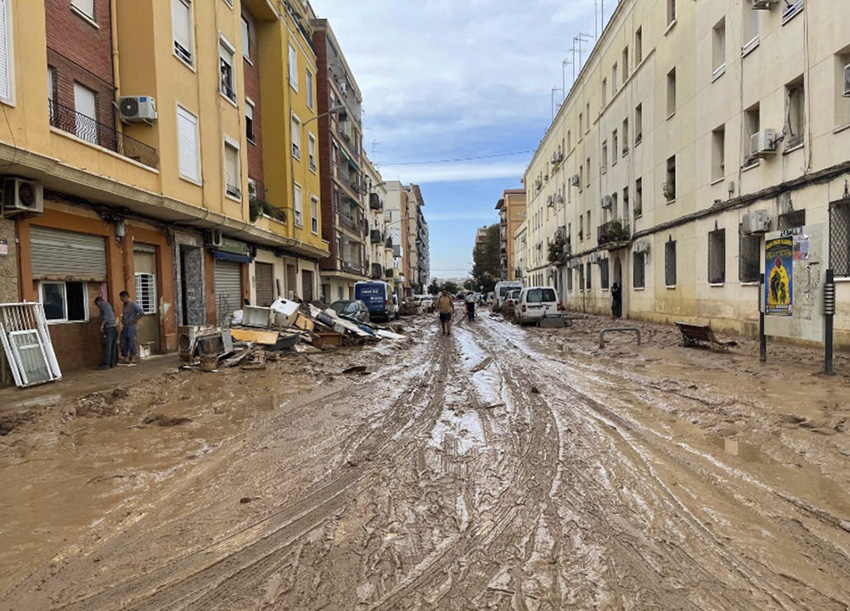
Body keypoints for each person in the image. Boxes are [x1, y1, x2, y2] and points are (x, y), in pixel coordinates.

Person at [118, 290, 145, 366]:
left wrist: (135, 319)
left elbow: (141, 312)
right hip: (125, 326)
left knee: (132, 342)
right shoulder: (124, 305)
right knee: (123, 342)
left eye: (122, 298)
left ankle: (133, 358)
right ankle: (125, 357)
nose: (121, 300)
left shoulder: (133, 304)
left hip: (131, 326)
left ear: (126, 297)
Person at [94, 295, 117, 369]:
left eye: (97, 305)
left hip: (109, 328)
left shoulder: (104, 305)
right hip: (113, 327)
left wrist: (102, 326)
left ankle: (106, 363)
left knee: (107, 346)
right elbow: (113, 312)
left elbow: (106, 317)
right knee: (112, 346)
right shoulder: (109, 305)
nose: (98, 307)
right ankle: (112, 363)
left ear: (99, 302)